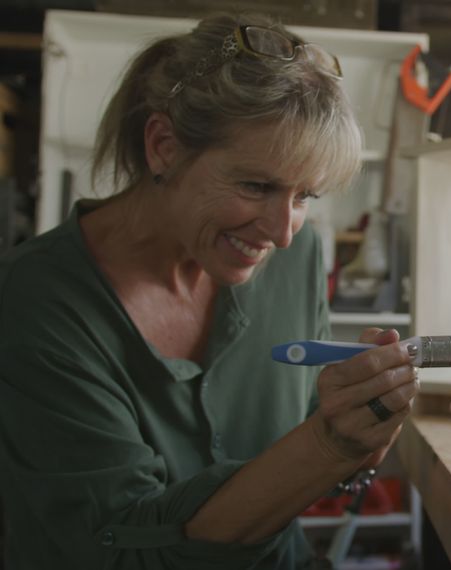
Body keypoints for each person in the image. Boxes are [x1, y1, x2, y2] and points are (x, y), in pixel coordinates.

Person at [0, 13, 418, 569]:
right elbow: (121, 551)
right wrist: (327, 446)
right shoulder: (36, 301)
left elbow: (305, 441)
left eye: (304, 197)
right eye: (256, 186)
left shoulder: (297, 259)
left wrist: (359, 436)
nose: (282, 232)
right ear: (164, 146)